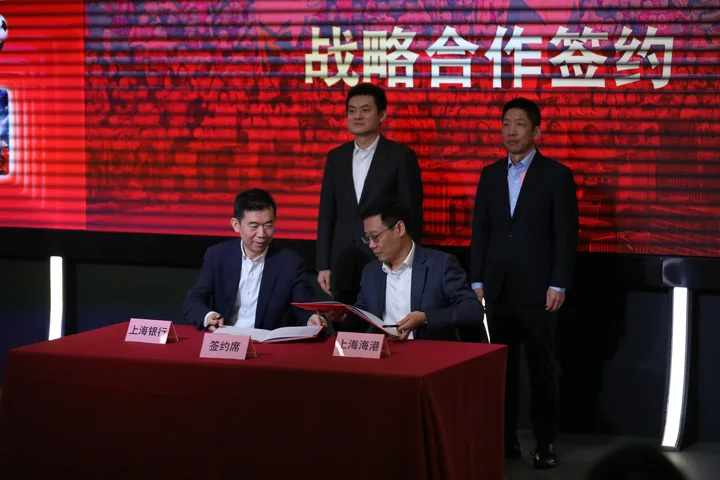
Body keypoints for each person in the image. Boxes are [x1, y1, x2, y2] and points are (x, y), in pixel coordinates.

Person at [470, 97, 578, 468]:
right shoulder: (490, 174)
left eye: (519, 124)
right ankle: (505, 440)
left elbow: (565, 234)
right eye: (506, 124)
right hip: (497, 288)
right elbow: (481, 231)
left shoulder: (556, 175)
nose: (511, 131)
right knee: (502, 369)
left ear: (537, 131)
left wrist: (559, 283)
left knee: (542, 370)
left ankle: (545, 443)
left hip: (539, 290)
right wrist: (477, 278)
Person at [311, 199, 486, 342]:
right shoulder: (372, 272)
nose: (371, 245)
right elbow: (363, 316)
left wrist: (425, 318)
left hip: (430, 358)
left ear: (399, 228)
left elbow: (473, 310)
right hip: (384, 359)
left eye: (375, 237)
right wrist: (342, 318)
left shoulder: (440, 264)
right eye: (367, 238)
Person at [316, 83, 423, 307]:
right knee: (344, 321)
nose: (357, 116)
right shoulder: (336, 157)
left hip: (385, 258)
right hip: (342, 260)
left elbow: (411, 212)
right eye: (352, 110)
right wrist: (323, 264)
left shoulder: (400, 156)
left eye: (365, 110)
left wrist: (407, 261)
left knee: (382, 317)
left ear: (382, 115)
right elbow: (327, 213)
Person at [183, 188, 323, 330]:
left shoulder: (290, 263)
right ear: (236, 225)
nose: (262, 234)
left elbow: (304, 308)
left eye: (268, 225)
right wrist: (208, 316)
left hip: (267, 340)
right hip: (225, 336)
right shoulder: (217, 256)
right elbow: (194, 300)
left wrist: (310, 319)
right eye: (254, 226)